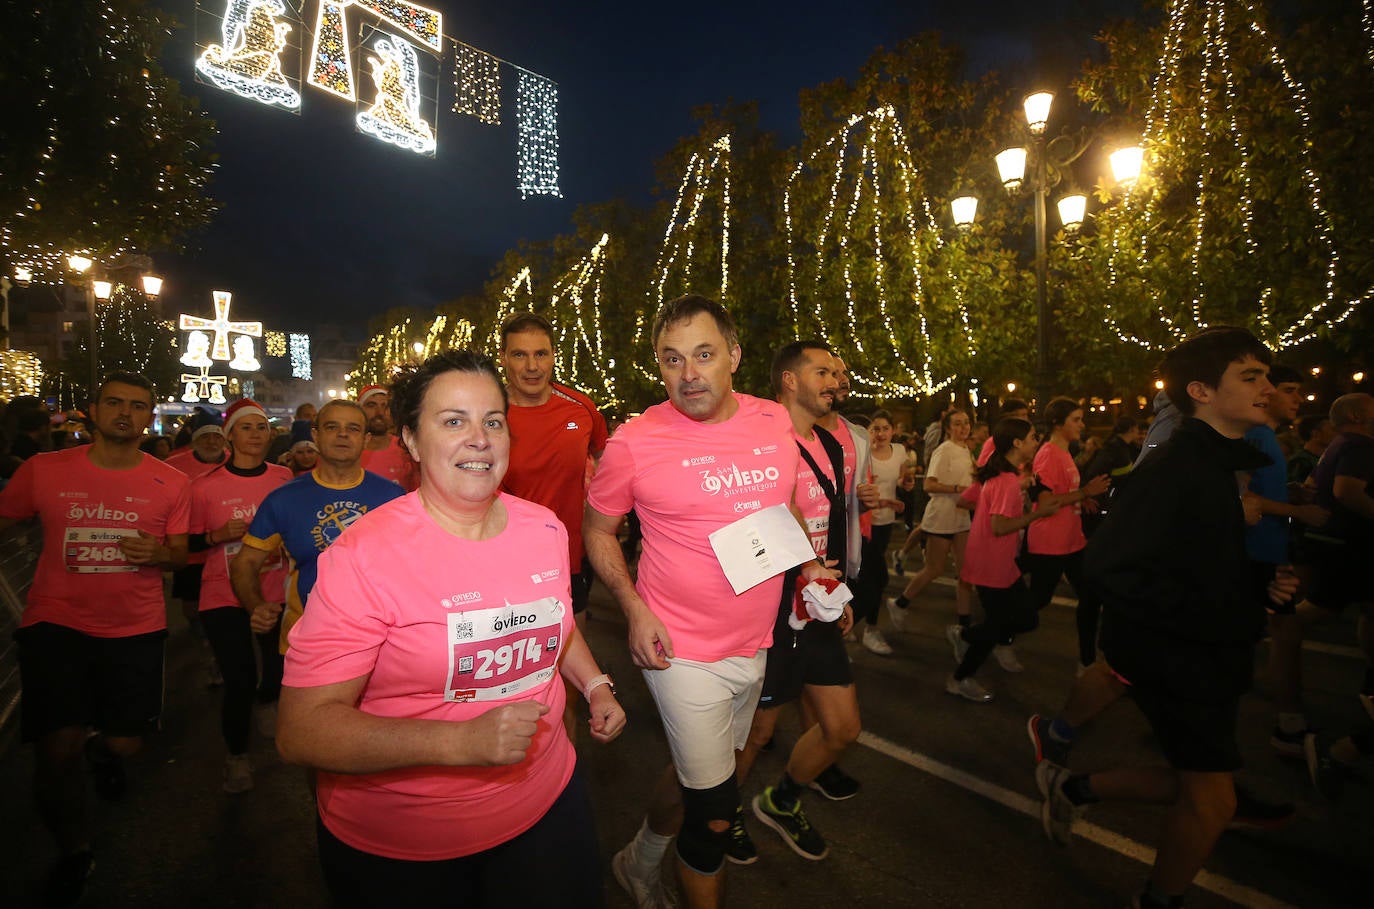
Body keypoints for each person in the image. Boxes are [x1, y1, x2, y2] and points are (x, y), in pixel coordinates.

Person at [276, 350, 626, 907]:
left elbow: (552, 623)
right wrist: (459, 742)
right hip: (407, 839)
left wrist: (595, 684)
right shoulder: (365, 554)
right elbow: (303, 731)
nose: (480, 438)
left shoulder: (543, 528)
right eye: (454, 421)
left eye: (492, 421)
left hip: (547, 800)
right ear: (411, 441)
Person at [1026, 327, 1298, 909]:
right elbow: (1108, 566)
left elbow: (1194, 558)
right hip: (1181, 657)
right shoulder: (1177, 466)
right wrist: (1207, 616)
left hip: (1204, 650)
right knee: (1213, 799)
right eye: (1250, 376)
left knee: (1204, 785)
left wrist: (1258, 589)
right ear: (1201, 390)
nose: (1267, 388)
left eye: (1266, 376)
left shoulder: (1220, 461)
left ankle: (1073, 785)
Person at [584, 295, 833, 909]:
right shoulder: (635, 441)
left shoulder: (773, 421)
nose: (688, 374)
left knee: (706, 777)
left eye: (703, 355)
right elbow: (596, 530)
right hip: (679, 651)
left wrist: (811, 569)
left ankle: (637, 860)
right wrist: (633, 606)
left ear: (734, 357)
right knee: (717, 813)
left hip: (756, 643)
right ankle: (664, 871)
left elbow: (785, 508)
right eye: (672, 360)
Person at [0, 372, 191, 905]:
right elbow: (7, 521)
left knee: (124, 742)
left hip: (135, 628)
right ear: (92, 409)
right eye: (114, 403)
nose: (125, 414)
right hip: (54, 624)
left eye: (137, 406)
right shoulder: (43, 471)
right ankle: (74, 850)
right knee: (53, 752)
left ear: (149, 415)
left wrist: (160, 555)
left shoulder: (171, 482)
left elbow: (178, 553)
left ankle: (103, 749)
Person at [734, 342, 865, 866]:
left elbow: (829, 529)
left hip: (816, 606)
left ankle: (782, 800)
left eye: (836, 371)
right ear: (788, 380)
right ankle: (726, 814)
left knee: (842, 729)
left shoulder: (834, 446)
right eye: (822, 371)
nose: (834, 380)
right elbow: (755, 524)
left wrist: (835, 593)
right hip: (770, 610)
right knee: (759, 731)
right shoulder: (761, 440)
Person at [229, 398, 404, 732]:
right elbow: (244, 564)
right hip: (308, 638)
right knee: (316, 742)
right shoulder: (284, 499)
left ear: (366, 439)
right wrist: (256, 606)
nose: (342, 435)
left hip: (382, 640)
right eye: (332, 427)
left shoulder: (393, 498)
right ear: (315, 434)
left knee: (375, 737)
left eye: (353, 428)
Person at [497, 312, 609, 735]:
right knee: (511, 671)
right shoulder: (490, 412)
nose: (531, 366)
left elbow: (600, 459)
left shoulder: (581, 409)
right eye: (520, 355)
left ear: (553, 357)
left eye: (541, 354)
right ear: (504, 359)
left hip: (567, 560)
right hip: (501, 563)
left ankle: (566, 765)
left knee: (569, 672)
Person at [189, 399, 294, 793]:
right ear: (229, 435)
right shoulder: (204, 487)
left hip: (277, 590)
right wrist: (217, 536)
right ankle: (237, 757)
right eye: (246, 427)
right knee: (239, 680)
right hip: (223, 595)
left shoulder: (286, 479)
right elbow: (185, 545)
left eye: (262, 427)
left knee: (278, 673)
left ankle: (268, 703)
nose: (255, 434)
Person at [1235, 365, 1329, 756]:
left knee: (1262, 637)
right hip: (1252, 555)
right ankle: (1288, 724)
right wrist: (1298, 512)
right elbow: (1240, 500)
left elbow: (1257, 493)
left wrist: (1288, 496)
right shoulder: (1255, 436)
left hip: (1268, 553)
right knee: (1284, 635)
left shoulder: (1268, 437)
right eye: (1287, 390)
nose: (1295, 398)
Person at [945, 418, 1062, 702]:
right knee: (1001, 624)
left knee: (1024, 617)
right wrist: (1037, 514)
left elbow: (968, 502)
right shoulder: (1005, 480)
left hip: (999, 561)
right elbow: (999, 527)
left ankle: (966, 635)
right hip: (992, 563)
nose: (1038, 442)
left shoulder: (1002, 477)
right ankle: (961, 678)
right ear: (1017, 443)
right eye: (1034, 437)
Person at [1024, 398, 1111, 674]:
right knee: (1037, 601)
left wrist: (1080, 499)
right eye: (1076, 419)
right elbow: (1048, 500)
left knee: (1091, 595)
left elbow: (1064, 493)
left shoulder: (1065, 453)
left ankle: (1086, 661)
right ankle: (985, 634)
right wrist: (1085, 493)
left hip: (1072, 541)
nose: (1082, 424)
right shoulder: (1048, 454)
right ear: (1057, 424)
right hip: (1050, 542)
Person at [887, 408, 976, 636]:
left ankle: (962, 626)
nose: (963, 427)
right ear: (947, 428)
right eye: (957, 423)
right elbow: (928, 485)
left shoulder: (967, 450)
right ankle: (899, 604)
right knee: (935, 569)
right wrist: (958, 489)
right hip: (942, 516)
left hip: (962, 517)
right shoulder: (943, 451)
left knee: (966, 572)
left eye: (966, 423)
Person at [851, 409, 906, 655]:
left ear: (893, 430)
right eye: (875, 428)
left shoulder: (900, 452)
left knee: (868, 578)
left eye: (885, 428)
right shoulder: (861, 456)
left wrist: (905, 484)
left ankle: (850, 623)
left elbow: (899, 478)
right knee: (875, 580)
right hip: (863, 524)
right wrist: (882, 502)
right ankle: (863, 628)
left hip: (884, 523)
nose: (880, 433)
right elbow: (859, 493)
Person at [358, 384, 418, 491]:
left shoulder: (407, 449)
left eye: (385, 407)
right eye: (371, 405)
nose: (379, 413)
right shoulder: (348, 450)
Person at [1286, 413, 1335, 485]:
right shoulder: (1301, 461)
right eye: (1333, 429)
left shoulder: (1325, 459)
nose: (1338, 433)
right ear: (1315, 434)